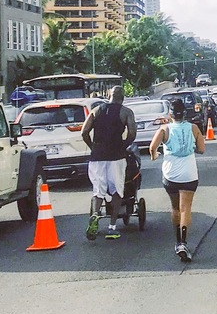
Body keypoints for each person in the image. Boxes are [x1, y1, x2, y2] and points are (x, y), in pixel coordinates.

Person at [149, 98, 205, 260]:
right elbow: (202, 149)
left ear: (170, 114)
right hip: (189, 174)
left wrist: (155, 155)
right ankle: (184, 243)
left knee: (175, 208)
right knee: (185, 208)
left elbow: (152, 147)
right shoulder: (194, 128)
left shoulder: (164, 129)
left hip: (170, 174)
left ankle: (178, 240)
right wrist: (190, 147)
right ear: (185, 113)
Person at [81, 85, 137, 241]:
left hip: (97, 156)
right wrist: (124, 145)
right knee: (117, 191)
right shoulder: (126, 112)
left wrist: (92, 146)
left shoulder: (96, 110)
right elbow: (132, 133)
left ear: (109, 95)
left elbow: (84, 132)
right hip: (116, 157)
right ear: (123, 97)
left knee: (98, 190)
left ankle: (95, 215)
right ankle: (112, 227)